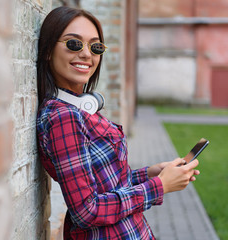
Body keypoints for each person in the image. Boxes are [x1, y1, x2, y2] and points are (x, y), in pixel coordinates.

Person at [36, 6, 200, 240]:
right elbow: (87, 211)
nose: (86, 54)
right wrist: (159, 186)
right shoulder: (64, 118)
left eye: (95, 47)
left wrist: (151, 174)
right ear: (48, 51)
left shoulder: (77, 108)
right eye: (74, 44)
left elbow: (106, 185)